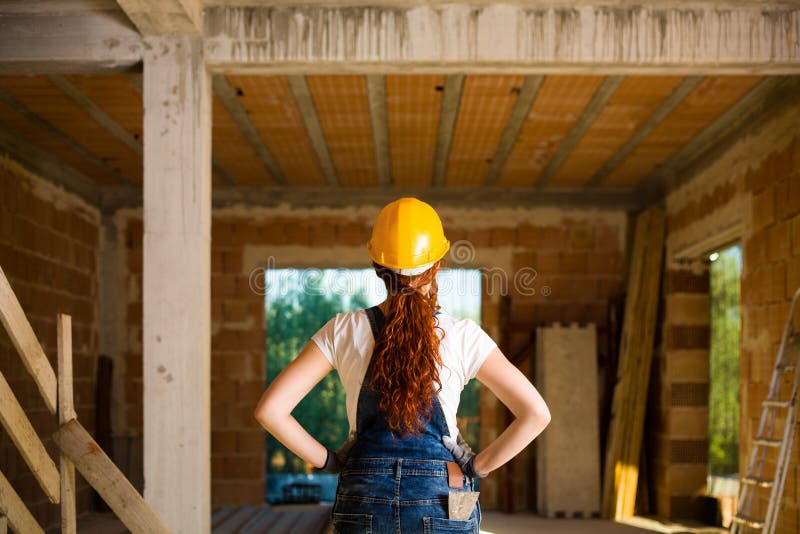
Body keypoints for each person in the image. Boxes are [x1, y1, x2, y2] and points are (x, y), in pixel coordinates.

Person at [254, 197, 550, 533]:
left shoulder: (343, 329)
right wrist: (476, 464)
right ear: (437, 264)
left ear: (377, 266)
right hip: (440, 497)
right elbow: (536, 414)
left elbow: (270, 411)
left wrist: (330, 460)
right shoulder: (463, 335)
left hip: (363, 493)